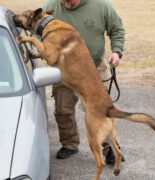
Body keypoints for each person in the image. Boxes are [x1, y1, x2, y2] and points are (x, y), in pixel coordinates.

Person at [42, 0, 125, 164]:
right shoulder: (50, 6)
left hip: (93, 69)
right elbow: (37, 30)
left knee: (101, 112)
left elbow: (117, 29)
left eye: (69, 0)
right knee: (62, 109)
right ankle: (70, 144)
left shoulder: (102, 5)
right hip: (63, 70)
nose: (65, 3)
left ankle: (111, 149)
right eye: (62, 0)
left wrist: (116, 52)